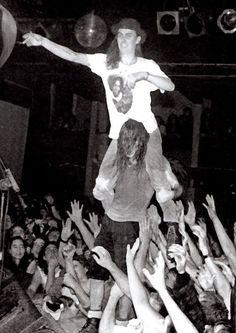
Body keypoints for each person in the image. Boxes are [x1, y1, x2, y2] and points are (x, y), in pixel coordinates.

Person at [22, 17, 181, 203]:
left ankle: (166, 179)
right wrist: (43, 41)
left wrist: (144, 75)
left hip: (146, 127)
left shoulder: (147, 65)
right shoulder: (106, 62)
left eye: (128, 36)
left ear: (138, 39)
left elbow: (169, 86)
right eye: (120, 35)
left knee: (161, 188)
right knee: (100, 187)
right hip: (121, 132)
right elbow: (73, 56)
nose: (122, 39)